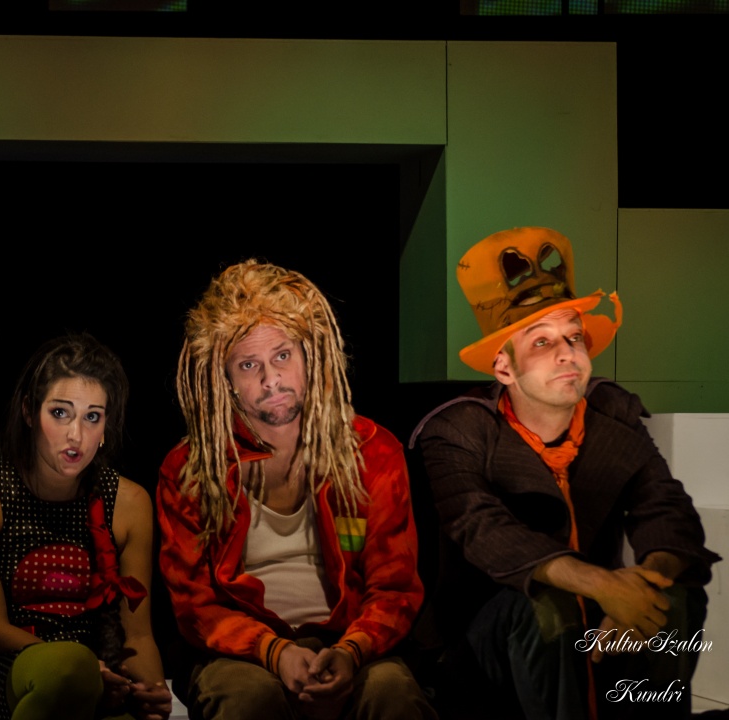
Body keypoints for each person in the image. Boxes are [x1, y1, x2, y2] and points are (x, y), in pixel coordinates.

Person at [411, 227, 720, 719]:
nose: (567, 353)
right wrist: (603, 586)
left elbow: (667, 509)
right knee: (547, 604)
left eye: (574, 337)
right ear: (504, 369)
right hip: (492, 644)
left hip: (596, 624)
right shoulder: (459, 431)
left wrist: (644, 587)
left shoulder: (612, 416)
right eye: (542, 342)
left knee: (674, 597)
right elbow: (485, 530)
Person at [157, 261, 436, 720]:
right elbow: (195, 605)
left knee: (393, 694)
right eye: (249, 365)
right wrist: (275, 652)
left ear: (309, 355)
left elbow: (395, 587)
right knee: (247, 700)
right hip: (243, 654)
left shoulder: (373, 450)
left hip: (348, 641)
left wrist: (351, 651)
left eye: (282, 356)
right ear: (226, 379)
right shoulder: (192, 467)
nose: (271, 380)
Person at [0, 333, 172, 720]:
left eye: (92, 417)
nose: (76, 435)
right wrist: (84, 671)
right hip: (2, 675)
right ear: (29, 411)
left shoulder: (129, 502)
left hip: (100, 679)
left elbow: (138, 634)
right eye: (60, 413)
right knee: (70, 669)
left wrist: (151, 691)